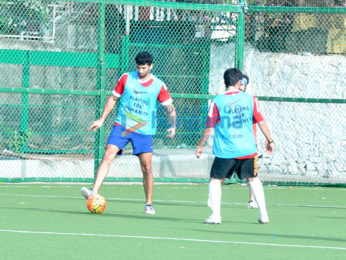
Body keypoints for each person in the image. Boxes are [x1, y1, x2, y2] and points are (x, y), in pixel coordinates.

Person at [81, 51, 176, 215]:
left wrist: (172, 125)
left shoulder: (158, 85)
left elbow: (169, 106)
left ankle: (148, 203)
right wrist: (102, 118)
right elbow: (113, 98)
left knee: (146, 167)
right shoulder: (126, 78)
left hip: (144, 130)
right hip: (122, 125)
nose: (140, 71)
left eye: (144, 68)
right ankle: (93, 192)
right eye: (138, 67)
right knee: (108, 154)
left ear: (151, 66)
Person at [196, 68, 274, 224]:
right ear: (239, 82)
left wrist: (200, 145)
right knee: (253, 179)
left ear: (225, 82)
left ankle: (216, 215)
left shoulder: (217, 101)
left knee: (215, 180)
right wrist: (269, 140)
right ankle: (263, 214)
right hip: (247, 149)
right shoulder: (251, 99)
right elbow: (261, 121)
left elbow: (209, 126)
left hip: (226, 150)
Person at [240, 74, 258, 209]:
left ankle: (252, 200)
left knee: (252, 173)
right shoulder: (227, 100)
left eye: (243, 84)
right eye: (239, 84)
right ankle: (213, 198)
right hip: (232, 142)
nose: (241, 87)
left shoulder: (251, 100)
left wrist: (269, 139)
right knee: (220, 173)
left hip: (249, 142)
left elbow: (259, 119)